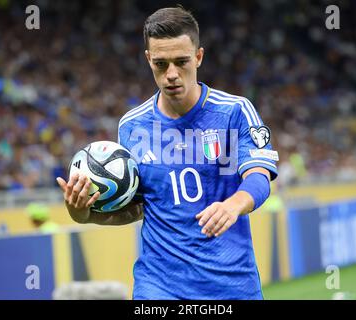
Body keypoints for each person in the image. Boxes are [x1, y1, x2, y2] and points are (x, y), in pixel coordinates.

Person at [57, 6, 278, 300]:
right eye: (161, 64)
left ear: (198, 57)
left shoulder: (234, 112)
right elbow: (136, 208)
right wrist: (82, 213)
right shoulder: (132, 126)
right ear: (149, 59)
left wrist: (233, 205)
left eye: (181, 62)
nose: (171, 74)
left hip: (231, 285)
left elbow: (260, 177)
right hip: (159, 287)